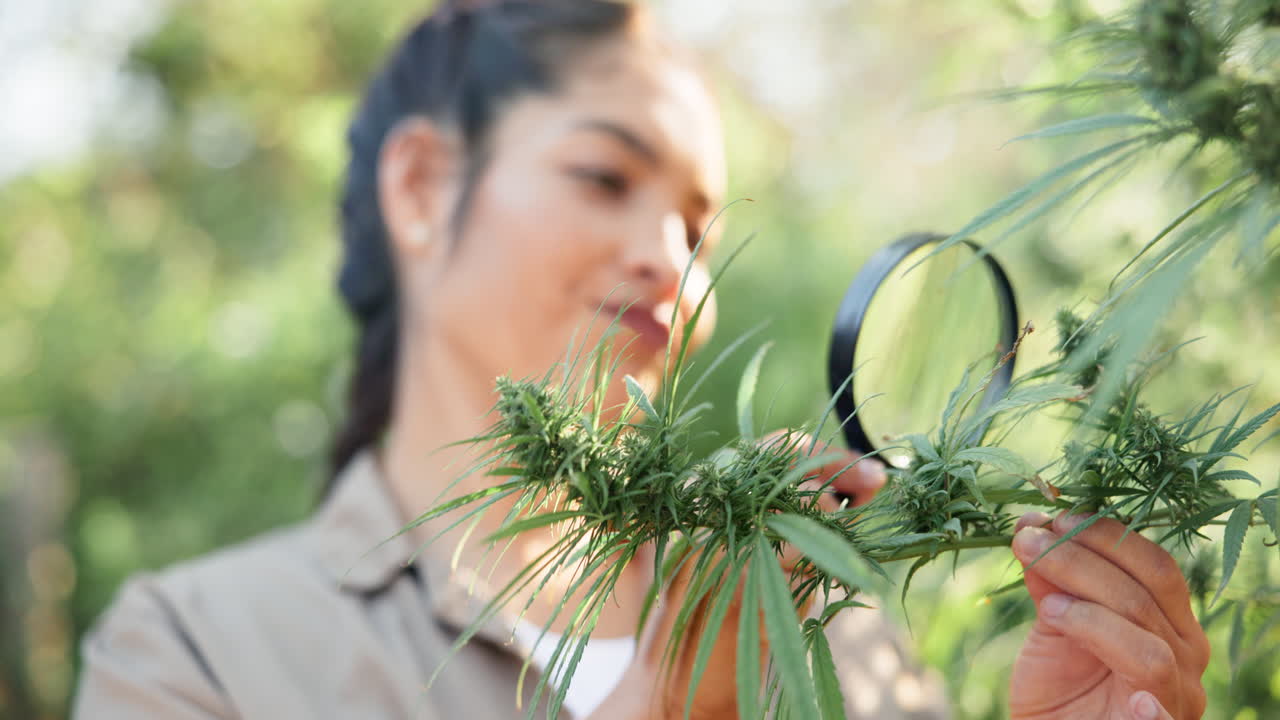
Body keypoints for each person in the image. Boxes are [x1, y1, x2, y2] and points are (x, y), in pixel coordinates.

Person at [72, 2, 1209, 719]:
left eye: (700, 233)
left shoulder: (823, 613)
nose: (670, 264)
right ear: (421, 186)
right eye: (604, 179)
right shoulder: (192, 650)